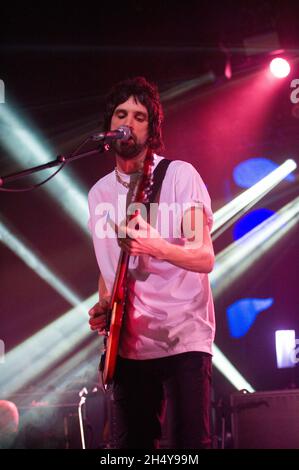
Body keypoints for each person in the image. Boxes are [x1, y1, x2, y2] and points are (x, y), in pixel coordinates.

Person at [88, 76, 215, 449]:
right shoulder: (98, 193)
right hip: (129, 345)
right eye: (120, 114)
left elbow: (204, 256)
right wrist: (106, 307)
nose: (127, 121)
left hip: (183, 338)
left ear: (152, 128)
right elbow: (107, 265)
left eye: (139, 116)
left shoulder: (178, 175)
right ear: (108, 127)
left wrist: (156, 246)